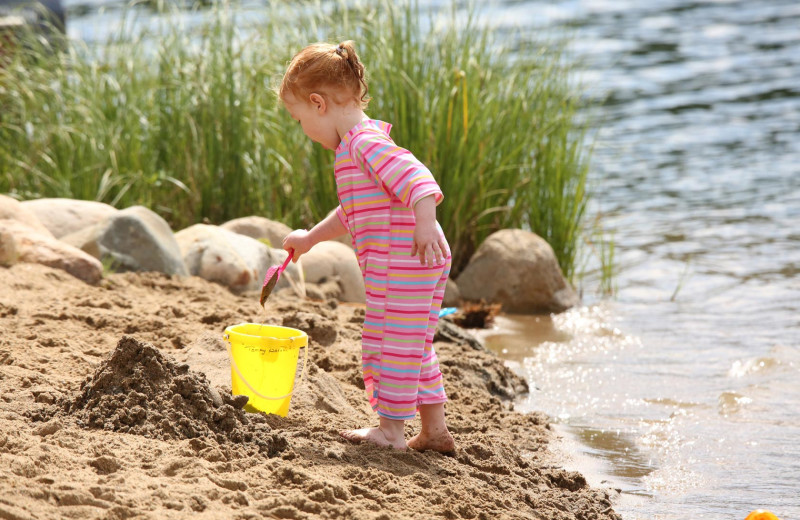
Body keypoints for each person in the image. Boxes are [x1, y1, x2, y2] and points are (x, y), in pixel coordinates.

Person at [278, 40, 455, 453]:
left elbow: (419, 179)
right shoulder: (357, 146)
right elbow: (351, 212)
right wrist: (310, 238)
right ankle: (434, 430)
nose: (302, 130)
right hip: (414, 261)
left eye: (298, 118)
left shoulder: (363, 144)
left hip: (406, 261)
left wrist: (425, 225)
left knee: (389, 344)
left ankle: (391, 432)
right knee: (413, 344)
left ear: (318, 104)